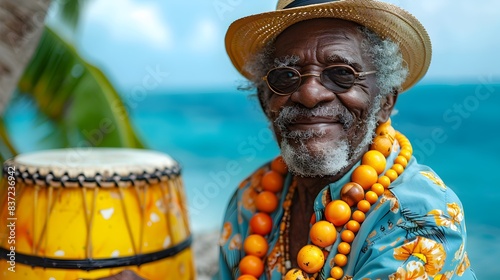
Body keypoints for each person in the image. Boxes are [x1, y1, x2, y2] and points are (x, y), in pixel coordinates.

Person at [217, 0, 477, 279]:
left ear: (385, 101)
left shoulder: (418, 217)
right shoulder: (251, 198)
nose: (310, 95)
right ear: (264, 100)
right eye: (286, 76)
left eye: (341, 73)